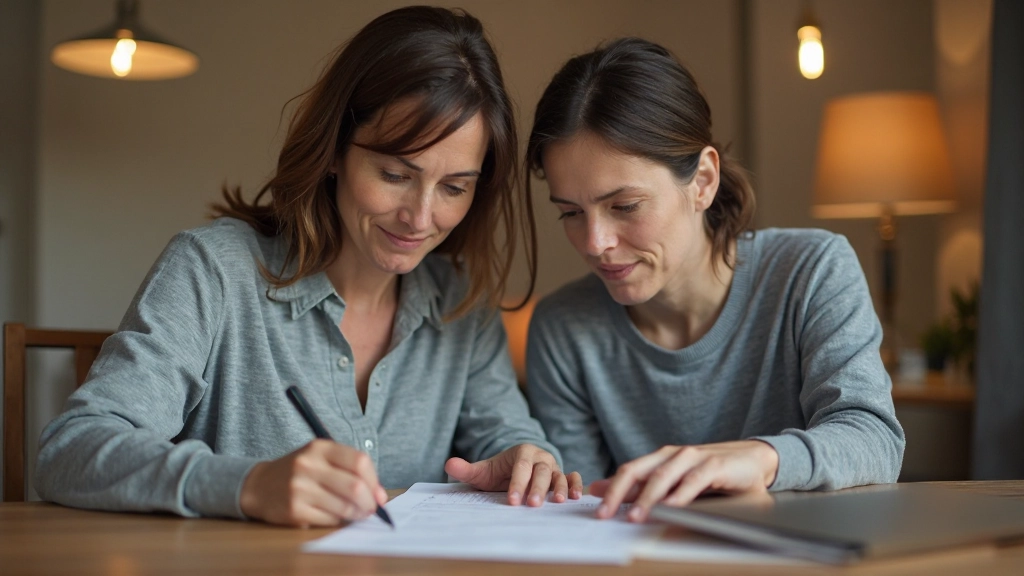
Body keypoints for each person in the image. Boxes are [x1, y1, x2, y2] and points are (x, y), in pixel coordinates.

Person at [35, 6, 581, 527]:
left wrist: (527, 461)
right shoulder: (214, 270)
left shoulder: (463, 306)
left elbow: (511, 443)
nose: (421, 216)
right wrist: (247, 485)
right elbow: (72, 449)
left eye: (455, 187)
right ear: (335, 153)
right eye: (394, 174)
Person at [524, 37, 905, 523]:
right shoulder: (563, 329)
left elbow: (875, 439)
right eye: (571, 213)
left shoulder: (811, 270)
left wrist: (759, 458)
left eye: (625, 207)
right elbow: (582, 512)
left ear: (703, 180)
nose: (595, 242)